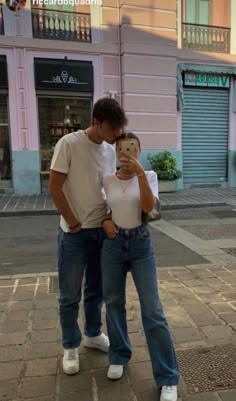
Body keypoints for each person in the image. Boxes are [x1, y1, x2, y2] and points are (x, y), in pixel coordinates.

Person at [49, 97, 127, 375]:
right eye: (112, 129)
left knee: (96, 290)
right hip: (75, 232)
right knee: (69, 293)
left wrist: (109, 217)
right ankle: (70, 345)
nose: (117, 135)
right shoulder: (68, 144)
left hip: (101, 232)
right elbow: (55, 186)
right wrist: (72, 221)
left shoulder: (108, 149)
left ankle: (92, 334)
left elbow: (106, 187)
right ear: (96, 122)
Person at [101, 132, 179, 401]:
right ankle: (119, 355)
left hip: (140, 243)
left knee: (153, 309)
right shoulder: (108, 178)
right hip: (112, 244)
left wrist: (141, 176)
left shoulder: (151, 176)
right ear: (115, 151)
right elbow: (105, 208)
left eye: (131, 148)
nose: (126, 153)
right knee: (112, 301)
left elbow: (151, 210)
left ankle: (168, 376)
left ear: (139, 150)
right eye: (121, 148)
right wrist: (105, 222)